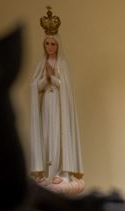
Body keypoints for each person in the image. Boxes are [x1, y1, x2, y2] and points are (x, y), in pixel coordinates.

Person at [29, 8, 84, 195]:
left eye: (53, 44)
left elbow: (65, 88)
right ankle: (45, 172)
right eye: (47, 44)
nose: (50, 47)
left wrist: (53, 78)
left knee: (58, 137)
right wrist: (45, 80)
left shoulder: (62, 64)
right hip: (46, 106)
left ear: (58, 45)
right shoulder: (40, 64)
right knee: (46, 136)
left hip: (59, 109)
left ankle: (61, 172)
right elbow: (35, 86)